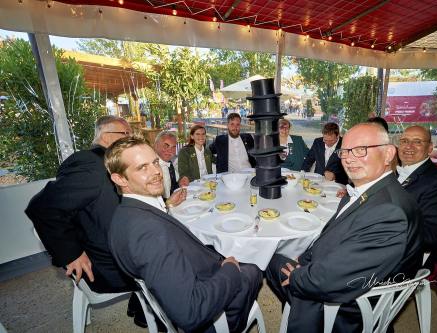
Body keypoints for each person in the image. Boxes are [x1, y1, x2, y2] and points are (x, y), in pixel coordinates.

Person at [266, 123, 422, 332]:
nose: (348, 158)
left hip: (348, 309)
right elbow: (335, 236)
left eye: (360, 150)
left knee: (270, 260)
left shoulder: (389, 213)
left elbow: (326, 280)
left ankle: (301, 311)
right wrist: (304, 259)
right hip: (341, 269)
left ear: (388, 154)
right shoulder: (373, 190)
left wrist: (297, 276)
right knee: (287, 257)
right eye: (345, 151)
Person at [105, 136, 262, 333]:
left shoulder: (125, 213)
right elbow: (191, 312)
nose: (156, 172)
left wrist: (167, 204)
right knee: (254, 270)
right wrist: (229, 269)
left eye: (154, 163)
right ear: (119, 179)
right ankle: (232, 323)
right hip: (207, 307)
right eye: (142, 168)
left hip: (189, 270)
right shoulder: (149, 234)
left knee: (220, 248)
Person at [25, 116, 148, 326]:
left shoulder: (106, 164)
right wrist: (71, 253)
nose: (132, 139)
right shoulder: (91, 164)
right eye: (126, 134)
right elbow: (41, 206)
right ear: (108, 137)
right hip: (108, 263)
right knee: (173, 255)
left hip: (112, 243)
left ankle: (138, 306)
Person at [397, 126, 437, 288]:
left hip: (406, 258)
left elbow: (430, 237)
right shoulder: (397, 172)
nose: (408, 146)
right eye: (404, 141)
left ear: (430, 148)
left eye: (417, 142)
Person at [154, 130, 189, 198]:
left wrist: (180, 183)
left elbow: (172, 187)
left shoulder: (170, 163)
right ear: (156, 145)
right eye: (166, 146)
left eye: (173, 147)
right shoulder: (151, 167)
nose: (170, 151)